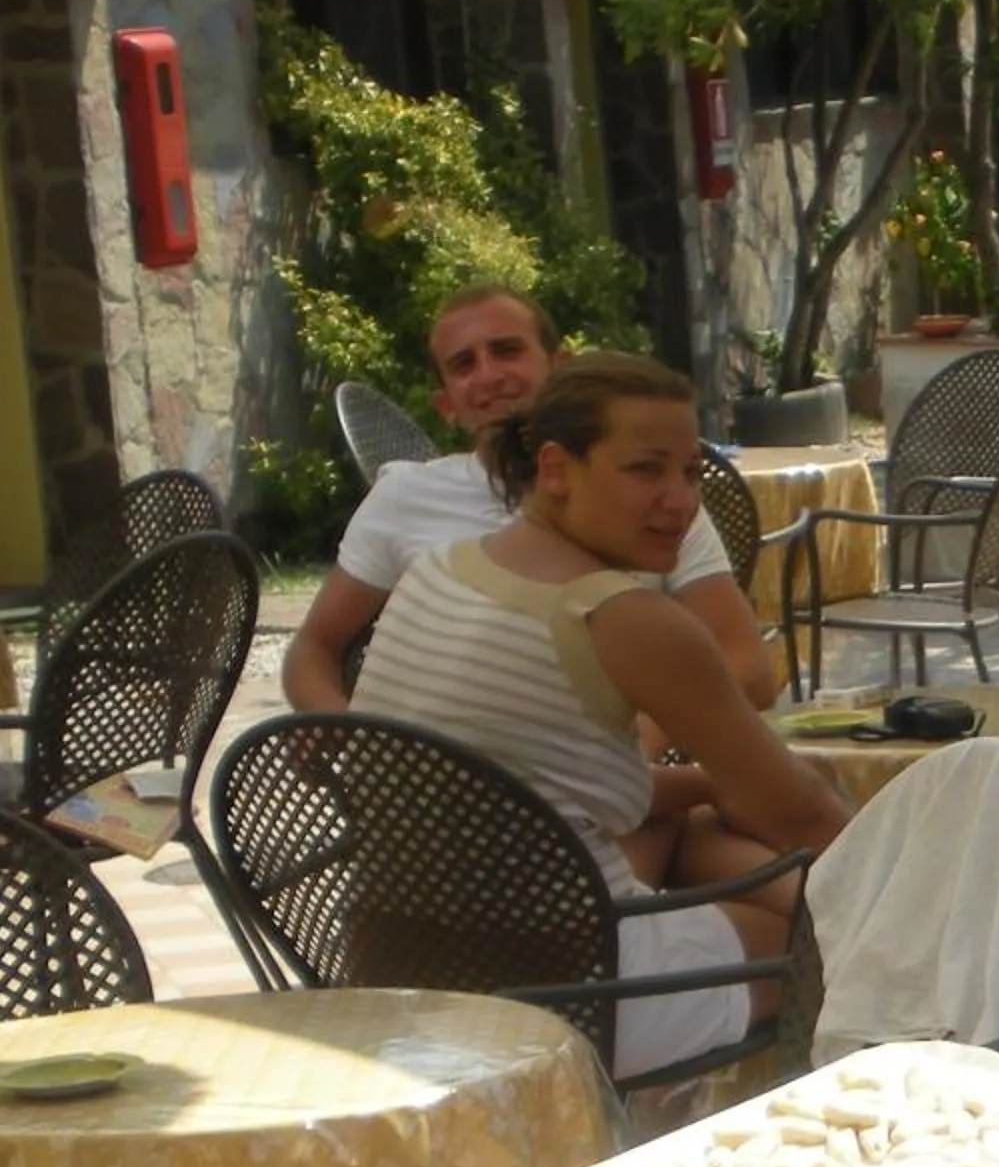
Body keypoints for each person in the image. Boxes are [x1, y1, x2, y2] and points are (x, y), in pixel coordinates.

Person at [348, 353, 849, 1079]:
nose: (680, 502)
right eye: (646, 470)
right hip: (572, 992)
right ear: (555, 468)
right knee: (828, 935)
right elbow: (805, 818)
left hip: (407, 968)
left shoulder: (440, 570)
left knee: (705, 836)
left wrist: (705, 788)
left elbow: (529, 788)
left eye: (691, 474)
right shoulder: (623, 616)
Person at [283, 286, 781, 713]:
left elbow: (748, 668)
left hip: (615, 780)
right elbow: (314, 647)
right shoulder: (406, 496)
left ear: (559, 366)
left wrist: (637, 752)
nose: (489, 375)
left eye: (506, 350)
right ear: (446, 406)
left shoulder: (645, 494)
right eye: (464, 365)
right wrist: (350, 737)